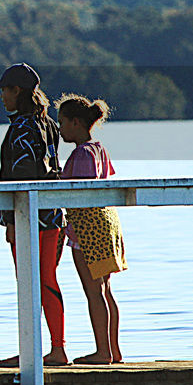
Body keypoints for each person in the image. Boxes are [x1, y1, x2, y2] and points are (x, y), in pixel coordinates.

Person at [0, 63, 70, 367]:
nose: (2, 97)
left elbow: (21, 178)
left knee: (30, 282)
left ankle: (35, 351)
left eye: (5, 91)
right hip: (52, 215)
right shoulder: (48, 124)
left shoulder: (21, 127)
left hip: (29, 218)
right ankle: (56, 348)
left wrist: (11, 220)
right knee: (47, 279)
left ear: (16, 91)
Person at [57, 93, 127, 364]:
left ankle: (102, 352)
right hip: (108, 223)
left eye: (62, 123)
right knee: (105, 290)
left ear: (76, 122)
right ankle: (113, 350)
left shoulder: (82, 153)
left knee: (93, 291)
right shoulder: (99, 149)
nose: (60, 129)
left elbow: (79, 194)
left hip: (88, 229)